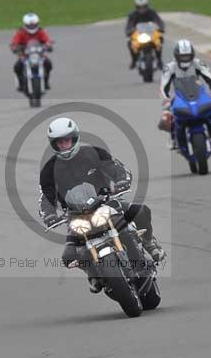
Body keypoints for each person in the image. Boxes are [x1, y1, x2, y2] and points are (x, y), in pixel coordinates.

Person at [39, 117, 166, 293]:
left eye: (67, 140)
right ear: (54, 144)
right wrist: (49, 215)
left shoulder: (94, 153)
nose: (64, 145)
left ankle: (149, 243)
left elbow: (116, 168)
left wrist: (122, 180)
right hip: (76, 215)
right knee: (68, 255)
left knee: (140, 210)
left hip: (106, 202)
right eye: (60, 142)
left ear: (74, 138)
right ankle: (93, 275)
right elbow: (46, 197)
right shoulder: (49, 169)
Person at [158, 39, 211, 148]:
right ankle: (173, 137)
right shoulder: (170, 67)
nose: (185, 59)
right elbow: (163, 86)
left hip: (198, 93)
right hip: (180, 96)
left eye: (188, 56)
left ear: (192, 55)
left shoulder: (198, 63)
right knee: (166, 118)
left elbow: (210, 78)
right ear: (177, 56)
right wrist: (166, 99)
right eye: (183, 56)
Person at [10, 13, 53, 92]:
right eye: (29, 26)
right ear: (25, 25)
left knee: (48, 64)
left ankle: (46, 81)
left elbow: (47, 40)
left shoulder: (40, 31)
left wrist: (48, 45)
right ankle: (20, 83)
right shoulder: (21, 32)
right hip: (24, 54)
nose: (32, 27)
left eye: (34, 25)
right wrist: (14, 47)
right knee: (17, 66)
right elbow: (15, 42)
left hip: (39, 54)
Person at [125, 0, 165, 69]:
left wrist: (161, 27)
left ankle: (159, 60)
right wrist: (129, 30)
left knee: (160, 40)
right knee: (130, 43)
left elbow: (158, 21)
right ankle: (134, 60)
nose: (142, 9)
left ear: (147, 5)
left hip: (150, 33)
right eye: (140, 7)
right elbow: (129, 25)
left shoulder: (152, 12)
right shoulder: (132, 15)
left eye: (144, 7)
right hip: (138, 35)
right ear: (136, 6)